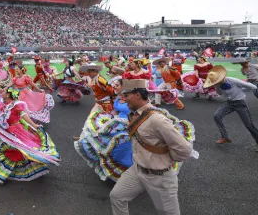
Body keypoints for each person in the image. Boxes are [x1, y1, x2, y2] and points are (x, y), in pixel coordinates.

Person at [110, 79, 193, 215]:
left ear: (137, 94)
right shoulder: (135, 115)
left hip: (159, 176)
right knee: (117, 196)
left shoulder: (157, 119)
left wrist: (164, 160)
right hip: (137, 171)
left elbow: (185, 150)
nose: (123, 99)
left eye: (126, 95)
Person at [0, 87, 60, 184]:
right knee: (3, 148)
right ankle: (4, 169)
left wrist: (34, 125)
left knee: (21, 149)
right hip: (6, 131)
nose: (1, 93)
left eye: (3, 92)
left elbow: (23, 115)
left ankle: (9, 170)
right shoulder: (5, 105)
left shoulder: (16, 105)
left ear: (8, 94)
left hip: (16, 131)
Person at [74, 78, 132, 182]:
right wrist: (106, 121)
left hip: (127, 125)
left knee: (117, 149)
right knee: (99, 140)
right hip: (116, 123)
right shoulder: (118, 98)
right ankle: (108, 168)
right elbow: (115, 111)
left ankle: (122, 172)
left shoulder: (131, 98)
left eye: (117, 85)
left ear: (124, 87)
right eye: (114, 84)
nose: (114, 86)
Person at [204, 65, 258, 150]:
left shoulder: (232, 80)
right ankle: (225, 137)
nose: (216, 82)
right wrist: (216, 86)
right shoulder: (217, 85)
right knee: (217, 116)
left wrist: (252, 89)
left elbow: (252, 87)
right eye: (214, 82)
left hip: (240, 103)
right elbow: (220, 93)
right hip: (229, 103)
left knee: (248, 125)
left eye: (217, 81)